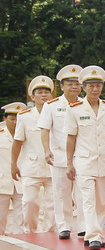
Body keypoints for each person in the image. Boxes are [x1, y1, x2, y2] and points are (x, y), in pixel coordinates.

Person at [65, 66, 105, 250]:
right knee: (87, 199)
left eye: (98, 85)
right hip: (84, 161)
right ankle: (94, 235)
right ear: (84, 88)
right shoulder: (74, 109)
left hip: (104, 161)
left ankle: (94, 232)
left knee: (101, 200)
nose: (95, 89)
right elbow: (71, 137)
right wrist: (68, 163)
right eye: (91, 86)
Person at [39, 64, 83, 240]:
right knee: (61, 191)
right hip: (59, 154)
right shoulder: (51, 105)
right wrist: (46, 150)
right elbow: (44, 128)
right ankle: (64, 225)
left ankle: (83, 226)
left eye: (77, 83)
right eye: (69, 83)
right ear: (62, 86)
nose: (74, 86)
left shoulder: (85, 104)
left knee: (82, 192)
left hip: (82, 154)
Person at [12, 76, 56, 233]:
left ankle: (51, 233)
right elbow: (17, 142)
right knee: (30, 202)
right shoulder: (24, 116)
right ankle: (30, 232)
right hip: (31, 166)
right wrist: (13, 164)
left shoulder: (57, 113)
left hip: (53, 165)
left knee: (53, 203)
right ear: (32, 96)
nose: (43, 95)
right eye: (39, 92)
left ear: (51, 95)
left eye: (46, 92)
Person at [0, 102, 27, 235]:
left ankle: (20, 243)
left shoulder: (27, 134)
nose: (15, 122)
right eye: (12, 119)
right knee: (0, 217)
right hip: (2, 181)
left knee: (21, 217)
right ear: (5, 119)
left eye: (18, 119)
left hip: (21, 180)